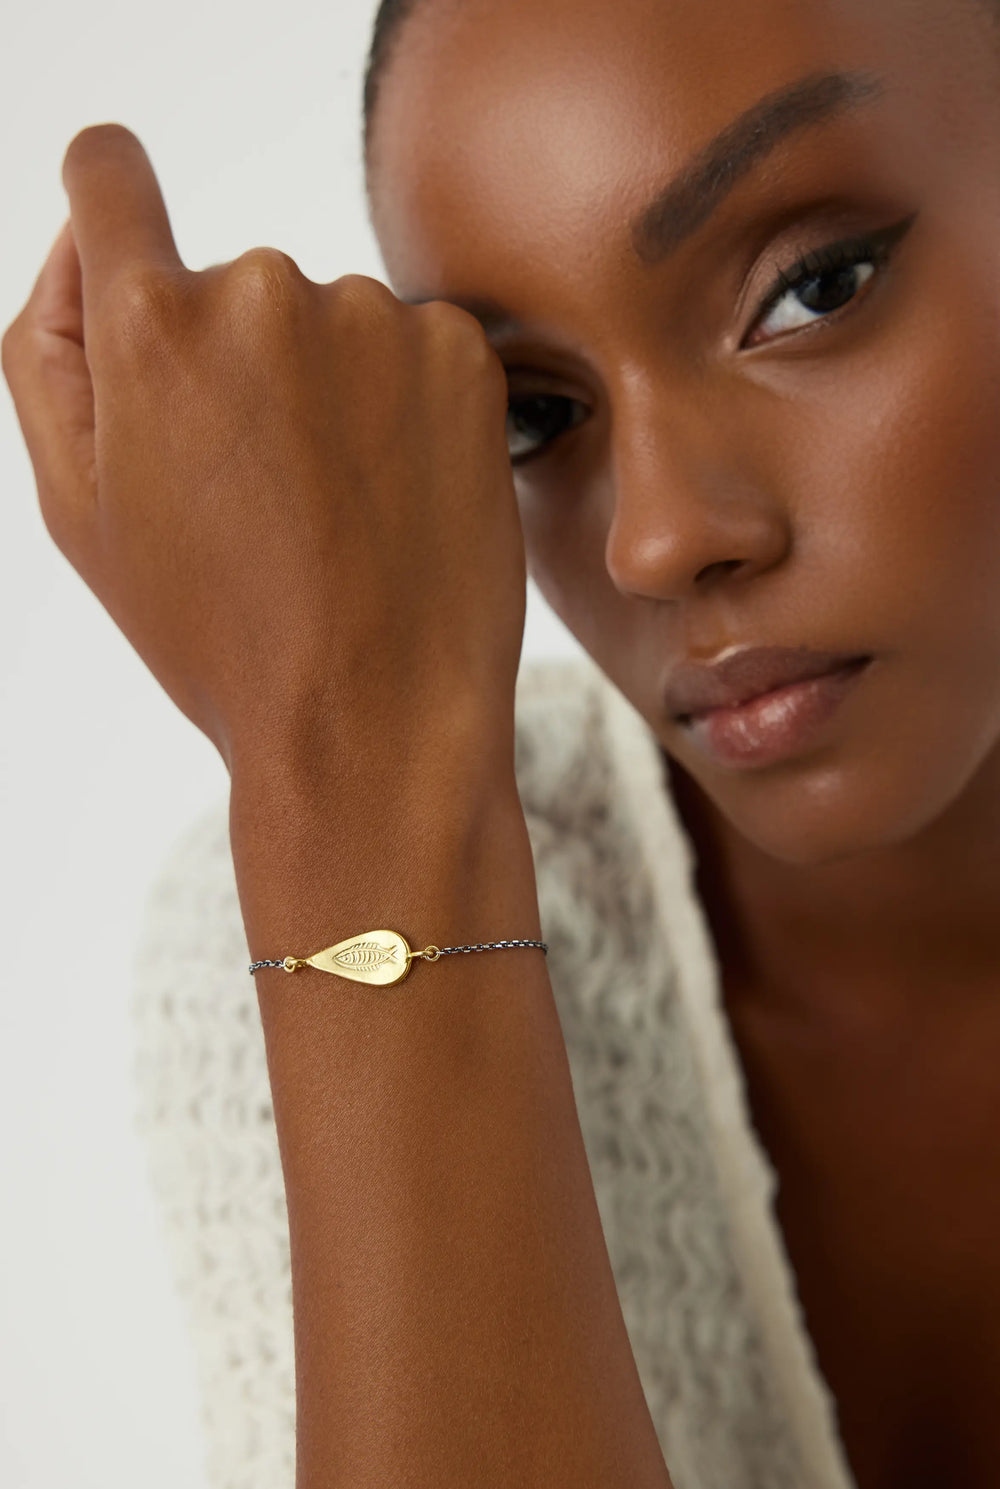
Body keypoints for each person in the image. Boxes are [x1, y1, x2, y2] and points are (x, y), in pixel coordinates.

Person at [6, 0, 1000, 1483]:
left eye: (814, 288)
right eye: (535, 415)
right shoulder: (305, 914)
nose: (657, 537)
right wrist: (348, 782)